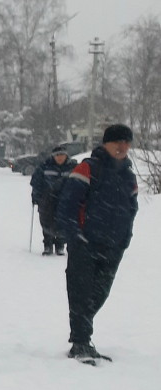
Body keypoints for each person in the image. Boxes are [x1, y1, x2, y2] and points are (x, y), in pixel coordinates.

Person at [56, 124, 140, 364]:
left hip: (113, 246)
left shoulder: (129, 176)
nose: (122, 147)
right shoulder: (88, 168)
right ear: (106, 143)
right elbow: (67, 205)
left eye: (126, 143)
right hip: (86, 243)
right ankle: (80, 343)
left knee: (99, 294)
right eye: (117, 142)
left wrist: (125, 239)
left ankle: (83, 336)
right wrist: (76, 236)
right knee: (81, 293)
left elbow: (131, 210)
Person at [30, 144, 76, 255]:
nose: (60, 157)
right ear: (53, 156)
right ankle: (47, 244)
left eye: (62, 155)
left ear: (66, 156)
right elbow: (36, 183)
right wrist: (35, 196)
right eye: (57, 155)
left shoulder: (73, 167)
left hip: (65, 200)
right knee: (46, 221)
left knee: (63, 222)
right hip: (47, 200)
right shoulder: (45, 166)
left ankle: (60, 245)